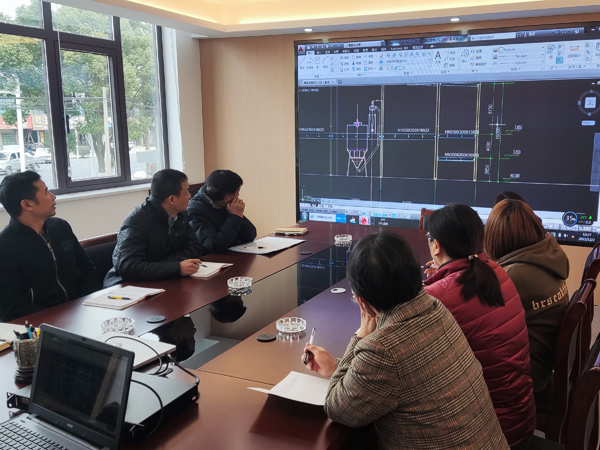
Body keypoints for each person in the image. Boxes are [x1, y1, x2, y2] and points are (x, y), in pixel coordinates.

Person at [303, 231, 508, 450]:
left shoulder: (381, 349)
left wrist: (362, 334)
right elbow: (399, 378)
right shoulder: (437, 308)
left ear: (362, 301)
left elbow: (338, 408)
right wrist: (337, 368)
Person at [423, 203, 535, 449]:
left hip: (487, 432)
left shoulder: (438, 296)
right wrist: (444, 275)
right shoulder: (498, 271)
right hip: (521, 414)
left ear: (436, 245)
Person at [484, 199, 569, 394]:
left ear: (496, 238)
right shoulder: (548, 255)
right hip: (543, 363)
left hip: (526, 377)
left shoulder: (514, 276)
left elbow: (477, 313)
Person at [0, 171, 98, 322]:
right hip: (42, 325)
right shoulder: (5, 246)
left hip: (81, 313)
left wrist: (81, 305)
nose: (53, 197)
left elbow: (88, 270)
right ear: (27, 204)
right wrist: (59, 316)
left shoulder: (61, 227)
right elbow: (12, 309)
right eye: (46, 193)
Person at [104, 169, 205, 287]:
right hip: (127, 286)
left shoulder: (180, 215)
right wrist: (176, 267)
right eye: (186, 192)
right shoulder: (136, 222)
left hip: (164, 279)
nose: (189, 196)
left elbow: (195, 248)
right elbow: (129, 268)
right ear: (172, 199)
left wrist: (166, 266)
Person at [187, 169, 256, 253]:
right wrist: (234, 217)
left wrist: (238, 215)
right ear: (226, 198)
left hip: (233, 254)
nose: (238, 195)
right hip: (212, 258)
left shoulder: (225, 204)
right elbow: (214, 245)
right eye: (237, 192)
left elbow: (250, 236)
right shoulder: (194, 210)